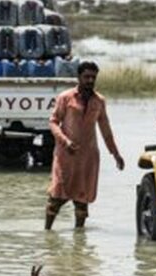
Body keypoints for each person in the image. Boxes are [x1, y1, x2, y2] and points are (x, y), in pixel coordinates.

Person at [45, 61, 124, 229]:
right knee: (56, 199)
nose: (90, 80)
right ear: (78, 77)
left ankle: (79, 246)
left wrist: (116, 154)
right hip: (66, 156)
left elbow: (106, 131)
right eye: (86, 77)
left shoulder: (99, 101)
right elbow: (53, 122)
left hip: (88, 158)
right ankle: (47, 234)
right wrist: (65, 141)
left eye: (93, 77)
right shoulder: (65, 97)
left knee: (82, 202)